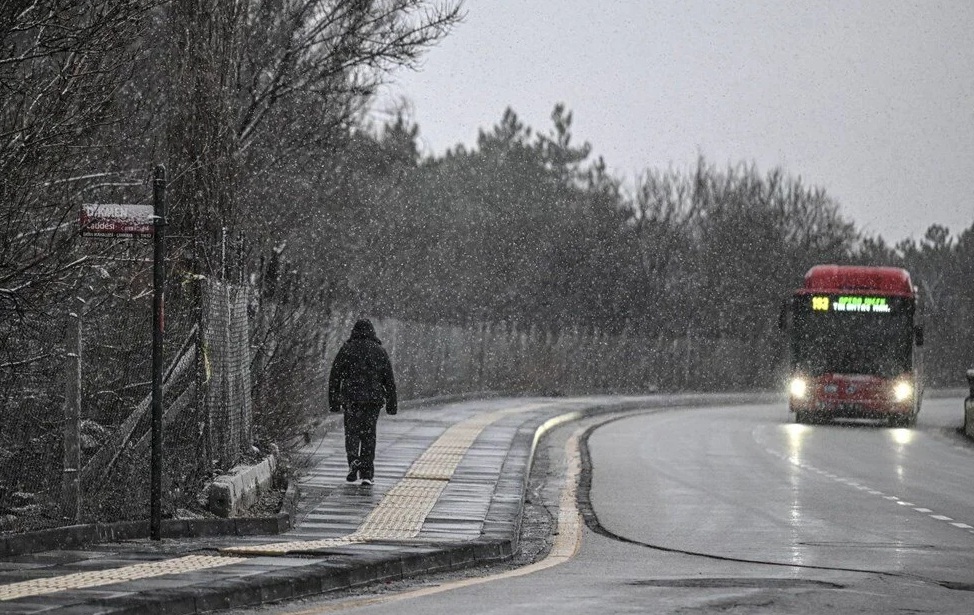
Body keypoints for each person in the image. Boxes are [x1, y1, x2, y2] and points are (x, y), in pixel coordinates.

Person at [328, 318, 397, 486]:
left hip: (352, 399)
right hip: (373, 401)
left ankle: (353, 460)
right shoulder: (379, 351)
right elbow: (388, 379)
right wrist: (391, 403)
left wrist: (334, 401)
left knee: (352, 433)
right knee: (368, 435)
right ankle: (367, 473)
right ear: (372, 332)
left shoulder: (347, 349)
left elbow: (334, 376)